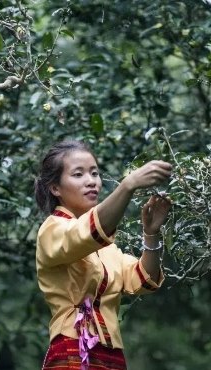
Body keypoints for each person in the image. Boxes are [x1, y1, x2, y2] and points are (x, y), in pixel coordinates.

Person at [34, 140, 173, 370]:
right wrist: (128, 185)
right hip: (73, 348)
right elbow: (82, 234)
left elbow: (143, 279)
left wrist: (151, 234)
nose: (91, 181)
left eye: (94, 173)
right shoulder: (52, 231)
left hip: (111, 354)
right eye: (78, 174)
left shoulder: (106, 246)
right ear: (55, 188)